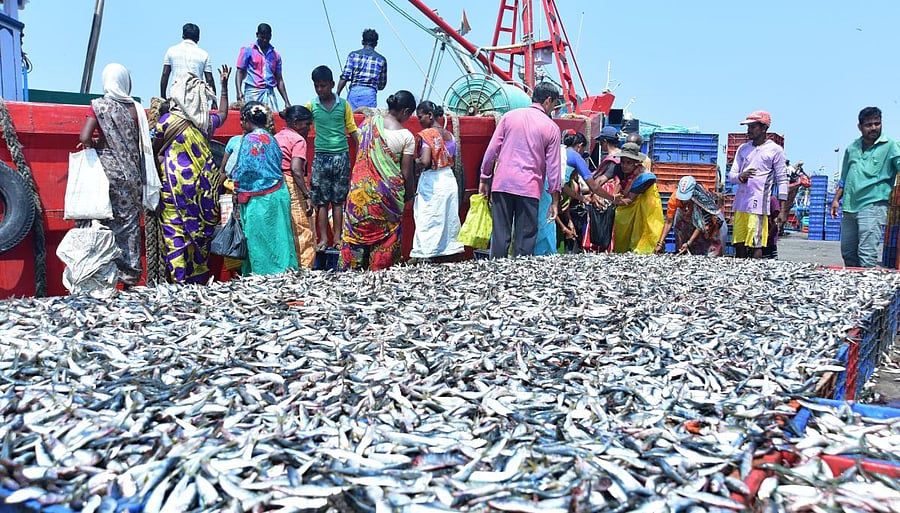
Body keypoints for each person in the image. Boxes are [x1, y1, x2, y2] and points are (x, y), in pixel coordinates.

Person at [78, 63, 155, 287]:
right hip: (132, 176)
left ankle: (102, 278)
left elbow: (84, 137)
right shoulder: (136, 108)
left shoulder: (99, 106)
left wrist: (95, 144)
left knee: (102, 222)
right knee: (129, 226)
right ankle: (130, 277)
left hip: (107, 175)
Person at [152, 66, 231, 284]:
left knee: (175, 232)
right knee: (199, 235)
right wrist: (223, 85)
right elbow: (223, 114)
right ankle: (198, 281)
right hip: (204, 190)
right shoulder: (205, 122)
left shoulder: (167, 121)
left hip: (174, 190)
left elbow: (154, 150)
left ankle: (179, 281)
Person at [479, 82, 562, 258]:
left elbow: (491, 150)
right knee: (525, 240)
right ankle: (519, 281)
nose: (553, 109)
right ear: (548, 100)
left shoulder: (509, 117)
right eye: (554, 104)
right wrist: (555, 200)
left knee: (500, 235)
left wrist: (484, 178)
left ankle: (496, 275)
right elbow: (554, 168)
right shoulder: (551, 128)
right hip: (529, 188)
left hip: (502, 185)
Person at [341, 90, 416, 271]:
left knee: (354, 241)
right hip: (386, 202)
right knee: (386, 241)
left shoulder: (367, 124)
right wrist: (409, 196)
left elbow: (362, 156)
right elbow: (406, 174)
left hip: (359, 197)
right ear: (405, 112)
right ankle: (380, 278)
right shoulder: (406, 136)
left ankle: (348, 281)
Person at [220, 102, 298, 275]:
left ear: (247, 120)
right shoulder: (272, 138)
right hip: (278, 195)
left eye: (242, 120)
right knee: (279, 238)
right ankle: (284, 274)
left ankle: (263, 276)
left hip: (258, 201)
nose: (241, 124)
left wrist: (237, 192)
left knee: (258, 241)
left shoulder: (249, 140)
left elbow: (244, 170)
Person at [832, 106, 900, 268]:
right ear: (860, 127)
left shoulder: (890, 146)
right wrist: (836, 200)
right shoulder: (852, 148)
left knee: (866, 253)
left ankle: (868, 290)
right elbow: (844, 177)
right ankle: (853, 288)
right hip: (850, 207)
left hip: (874, 206)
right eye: (869, 125)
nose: (874, 128)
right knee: (848, 251)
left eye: (877, 123)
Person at [306, 65, 360, 251]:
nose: (320, 90)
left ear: (331, 84)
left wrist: (362, 154)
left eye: (323, 86)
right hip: (321, 157)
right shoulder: (311, 106)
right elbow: (302, 127)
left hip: (341, 157)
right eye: (316, 86)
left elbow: (352, 129)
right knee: (320, 202)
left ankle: (337, 238)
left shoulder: (343, 105)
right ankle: (323, 239)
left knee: (338, 201)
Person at [727, 110, 788, 259]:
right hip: (741, 203)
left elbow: (782, 179)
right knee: (738, 242)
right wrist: (741, 176)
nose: (749, 131)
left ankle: (755, 275)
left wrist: (782, 210)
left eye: (753, 127)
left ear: (764, 128)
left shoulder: (775, 150)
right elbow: (732, 176)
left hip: (759, 204)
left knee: (756, 242)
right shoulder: (743, 149)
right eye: (748, 127)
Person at [410, 100, 464, 261]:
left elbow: (426, 161)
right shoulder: (450, 135)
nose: (418, 121)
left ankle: (428, 254)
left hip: (432, 181)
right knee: (447, 219)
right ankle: (447, 252)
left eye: (420, 117)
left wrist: (413, 163)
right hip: (448, 179)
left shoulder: (428, 135)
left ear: (430, 115)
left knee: (428, 218)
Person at [275, 106, 316, 269]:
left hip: (277, 185)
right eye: (307, 124)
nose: (309, 129)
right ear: (296, 123)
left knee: (285, 229)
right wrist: (307, 195)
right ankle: (304, 270)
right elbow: (296, 169)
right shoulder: (298, 140)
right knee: (303, 229)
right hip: (293, 185)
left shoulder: (277, 137)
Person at [611, 142, 663, 254]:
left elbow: (630, 199)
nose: (624, 165)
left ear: (636, 163)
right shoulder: (622, 170)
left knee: (644, 232)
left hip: (647, 208)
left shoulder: (644, 178)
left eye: (628, 163)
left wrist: (614, 201)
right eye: (623, 162)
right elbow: (618, 184)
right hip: (630, 205)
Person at [655, 175, 725, 256]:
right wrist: (660, 243)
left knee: (711, 251)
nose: (683, 200)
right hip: (690, 224)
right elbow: (668, 222)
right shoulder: (674, 199)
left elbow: (700, 225)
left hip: (709, 225)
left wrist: (689, 242)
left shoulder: (701, 198)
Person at [235, 23, 290, 111]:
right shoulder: (248, 50)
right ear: (257, 35)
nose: (264, 40)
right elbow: (239, 71)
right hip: (252, 91)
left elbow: (279, 79)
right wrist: (238, 91)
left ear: (271, 36)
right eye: (262, 37)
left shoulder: (276, 55)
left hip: (269, 92)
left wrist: (286, 101)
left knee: (271, 120)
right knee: (252, 119)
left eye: (267, 38)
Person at [160, 23, 216, 107]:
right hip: (197, 99)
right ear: (198, 38)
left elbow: (165, 75)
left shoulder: (171, 51)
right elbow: (209, 79)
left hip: (176, 96)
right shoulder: (204, 54)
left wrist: (163, 97)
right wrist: (214, 101)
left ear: (183, 35)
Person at [337, 29, 388, 110]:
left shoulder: (353, 55)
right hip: (370, 94)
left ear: (362, 42)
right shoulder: (381, 60)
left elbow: (345, 76)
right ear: (376, 44)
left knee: (351, 120)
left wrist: (337, 93)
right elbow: (382, 85)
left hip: (354, 92)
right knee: (367, 121)